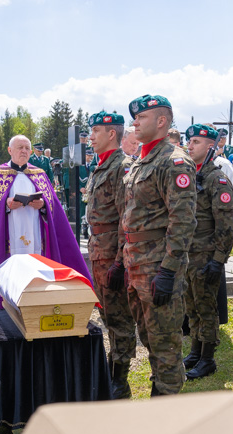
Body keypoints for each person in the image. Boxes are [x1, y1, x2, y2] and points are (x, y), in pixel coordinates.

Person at [123, 95, 196, 396]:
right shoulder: (142, 160)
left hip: (157, 268)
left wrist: (169, 271)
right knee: (149, 338)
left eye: (142, 117)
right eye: (135, 117)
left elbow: (183, 222)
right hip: (137, 264)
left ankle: (168, 411)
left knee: (165, 344)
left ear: (162, 121)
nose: (135, 122)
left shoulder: (174, 161)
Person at [0, 135, 92, 309]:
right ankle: (7, 306)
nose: (24, 151)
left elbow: (53, 208)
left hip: (36, 235)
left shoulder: (39, 174)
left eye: (27, 148)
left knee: (36, 266)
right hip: (9, 237)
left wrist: (43, 205)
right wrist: (6, 206)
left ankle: (34, 306)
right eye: (20, 147)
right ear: (10, 150)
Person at [85, 111, 137, 399]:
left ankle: (120, 379)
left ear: (111, 134)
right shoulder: (101, 166)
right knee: (107, 316)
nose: (90, 136)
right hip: (98, 253)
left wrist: (120, 263)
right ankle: (112, 366)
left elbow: (125, 220)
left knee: (120, 319)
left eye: (95, 131)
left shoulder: (122, 167)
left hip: (113, 258)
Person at [182, 124, 233, 379]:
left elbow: (226, 224)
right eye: (189, 141)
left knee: (207, 309)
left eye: (195, 142)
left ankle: (208, 358)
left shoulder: (217, 178)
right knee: (191, 307)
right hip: (188, 255)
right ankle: (195, 350)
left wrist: (218, 260)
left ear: (210, 146)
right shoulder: (191, 174)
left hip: (205, 255)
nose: (190, 146)